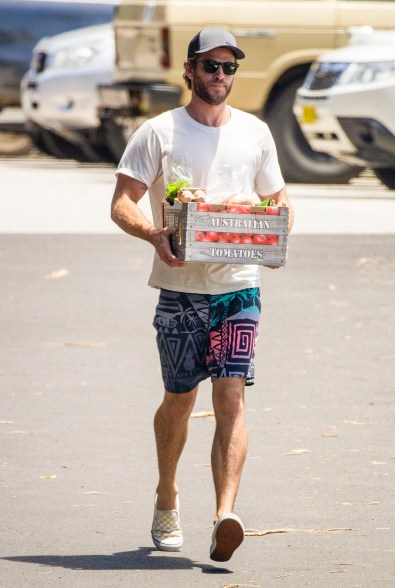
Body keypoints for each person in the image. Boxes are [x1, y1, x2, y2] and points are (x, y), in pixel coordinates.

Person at [111, 27, 294, 562]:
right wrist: (154, 234)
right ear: (188, 71)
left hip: (239, 288)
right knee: (180, 397)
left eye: (228, 67)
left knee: (232, 397)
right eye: (210, 66)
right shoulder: (159, 132)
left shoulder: (256, 133)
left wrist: (276, 235)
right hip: (180, 288)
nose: (220, 76)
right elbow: (123, 202)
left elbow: (277, 198)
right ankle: (167, 493)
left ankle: (224, 516)